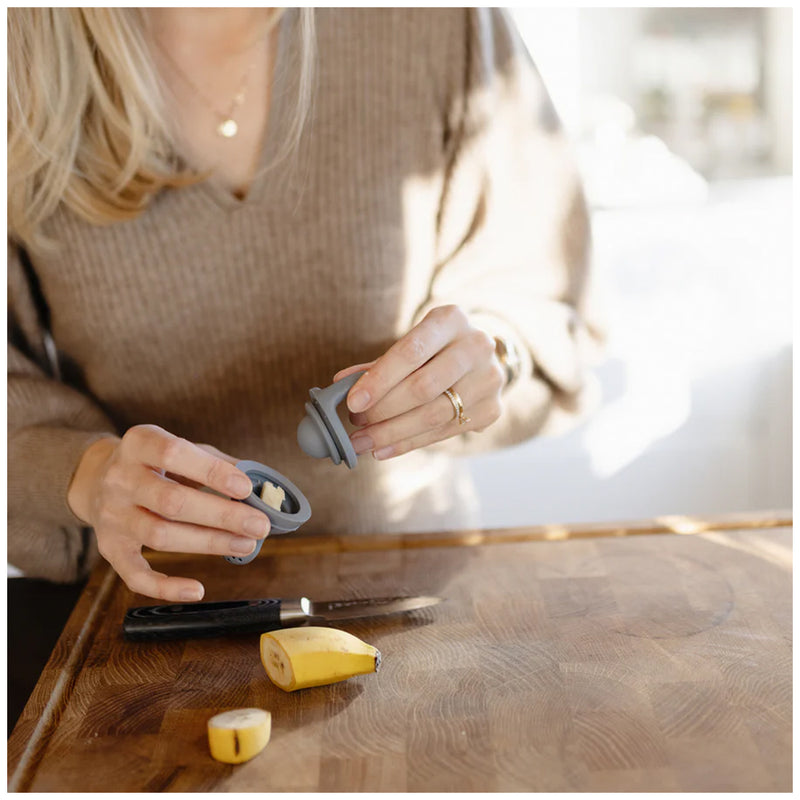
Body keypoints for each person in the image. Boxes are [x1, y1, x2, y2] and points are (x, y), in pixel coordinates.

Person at [8, 8, 602, 606]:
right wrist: (86, 473)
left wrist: (490, 356)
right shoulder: (19, 56)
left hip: (408, 594)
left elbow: (541, 301)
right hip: (149, 611)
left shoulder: (439, 22)